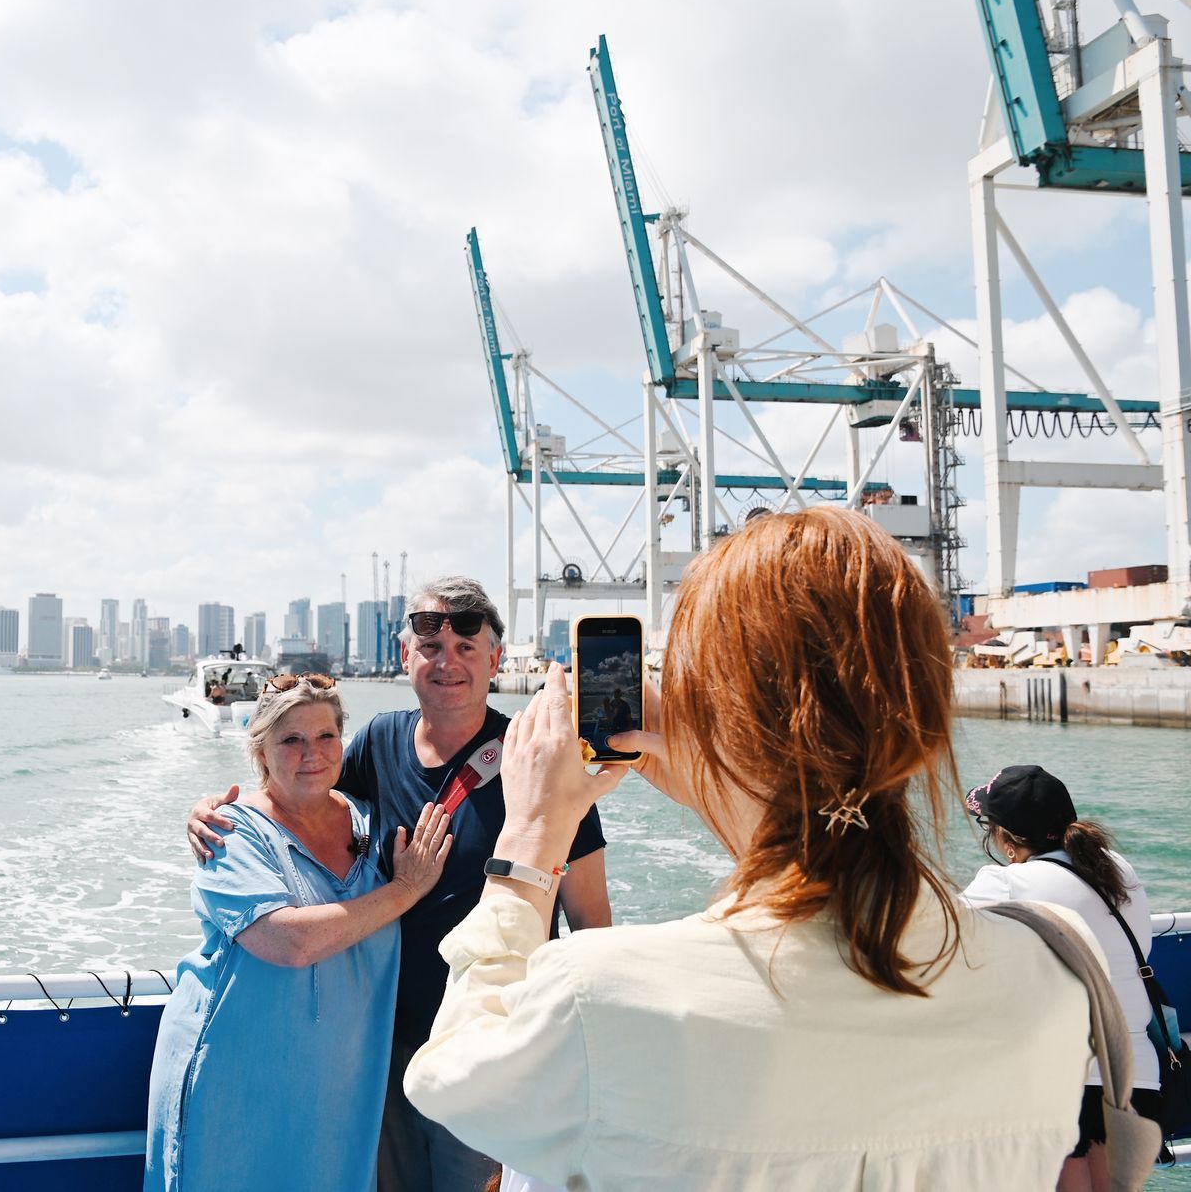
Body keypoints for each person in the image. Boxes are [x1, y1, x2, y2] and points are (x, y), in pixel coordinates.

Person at [404, 508, 1097, 1189]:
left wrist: (529, 832)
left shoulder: (603, 1000)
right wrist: (723, 781)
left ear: (720, 722)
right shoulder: (1053, 973)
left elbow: (454, 1083)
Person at [188, 576, 609, 1192]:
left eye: (469, 647)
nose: (448, 662)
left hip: (493, 1048)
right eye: (431, 644)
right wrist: (213, 811)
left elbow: (591, 921)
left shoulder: (539, 759)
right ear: (405, 654)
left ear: (496, 659)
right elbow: (303, 794)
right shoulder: (380, 741)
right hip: (378, 1048)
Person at [146, 674, 454, 1192]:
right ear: (261, 752)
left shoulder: (370, 822)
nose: (311, 753)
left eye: (325, 736)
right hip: (235, 1078)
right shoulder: (230, 831)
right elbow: (288, 942)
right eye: (290, 740)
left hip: (339, 1089)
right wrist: (406, 890)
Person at [961, 764, 1161, 1192]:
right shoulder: (1118, 869)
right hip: (1135, 1075)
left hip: (1061, 1076)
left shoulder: (1006, 883)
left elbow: (932, 940)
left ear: (1007, 837)